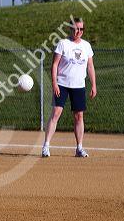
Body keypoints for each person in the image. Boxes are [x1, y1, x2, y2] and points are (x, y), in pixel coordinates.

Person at [42, 17, 97, 158]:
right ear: (70, 29)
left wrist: (93, 85)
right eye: (76, 28)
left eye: (81, 28)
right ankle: (46, 146)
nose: (78, 31)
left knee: (79, 116)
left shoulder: (86, 46)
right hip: (62, 84)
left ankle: (79, 148)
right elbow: (54, 65)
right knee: (56, 113)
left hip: (79, 86)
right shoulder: (63, 43)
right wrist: (54, 83)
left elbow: (90, 66)